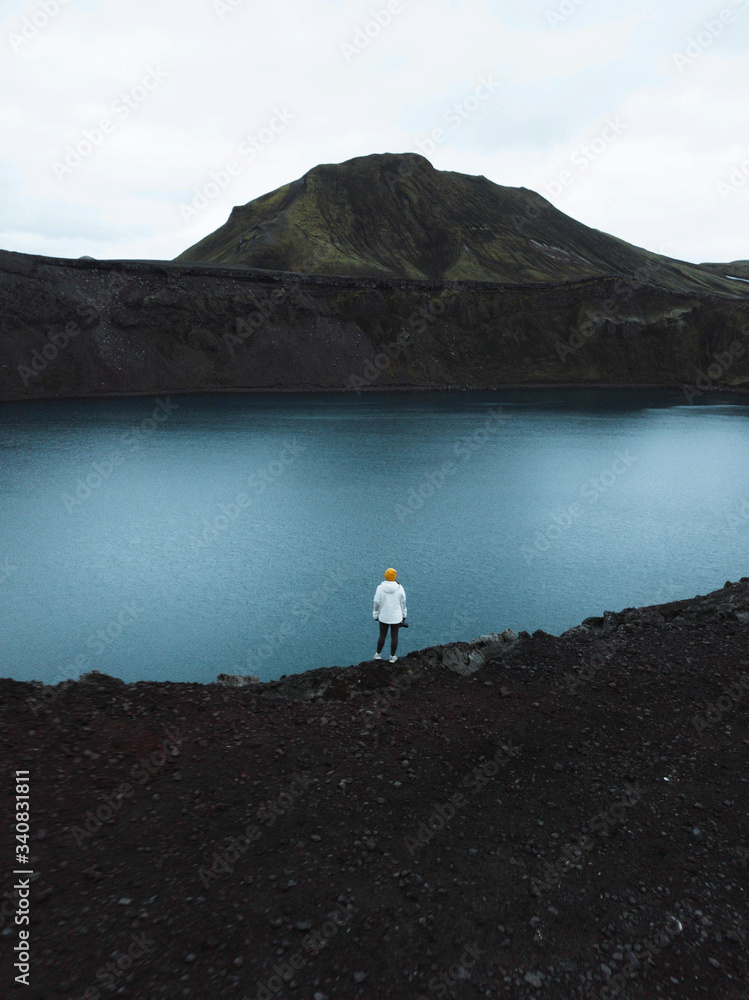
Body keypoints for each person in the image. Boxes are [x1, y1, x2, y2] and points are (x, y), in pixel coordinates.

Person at [373, 568, 407, 662]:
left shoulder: (380, 588)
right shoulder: (400, 588)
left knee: (382, 636)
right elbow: (403, 603)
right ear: (394, 577)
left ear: (385, 576)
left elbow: (376, 603)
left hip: (384, 616)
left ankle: (378, 654)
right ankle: (392, 657)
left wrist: (376, 615)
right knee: (394, 636)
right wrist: (404, 616)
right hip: (396, 617)